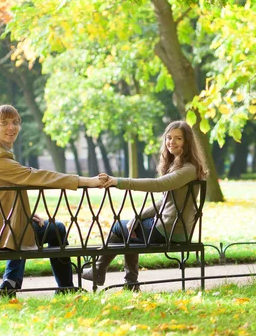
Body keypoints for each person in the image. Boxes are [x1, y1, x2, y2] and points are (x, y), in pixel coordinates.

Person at [0, 104, 104, 296]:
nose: (11, 127)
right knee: (57, 229)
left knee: (26, 227)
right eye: (5, 123)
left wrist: (26, 214)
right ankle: (65, 287)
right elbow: (41, 177)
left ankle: (11, 280)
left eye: (15, 122)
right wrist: (87, 181)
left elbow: (0, 195)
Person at [82, 120, 208, 290]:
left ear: (187, 142)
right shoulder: (179, 166)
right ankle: (128, 282)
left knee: (120, 227)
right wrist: (138, 216)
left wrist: (118, 181)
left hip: (171, 230)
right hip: (172, 226)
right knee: (130, 228)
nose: (172, 142)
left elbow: (158, 186)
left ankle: (104, 272)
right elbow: (166, 201)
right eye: (169, 138)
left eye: (178, 138)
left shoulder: (188, 169)